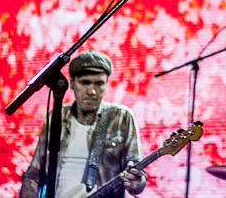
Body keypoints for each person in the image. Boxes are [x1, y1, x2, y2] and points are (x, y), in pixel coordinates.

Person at [20, 50, 146, 198]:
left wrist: (137, 181)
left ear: (106, 84)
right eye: (85, 82)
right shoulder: (56, 117)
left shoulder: (122, 117)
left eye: (99, 83)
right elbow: (34, 173)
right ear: (72, 83)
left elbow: (138, 178)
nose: (92, 91)